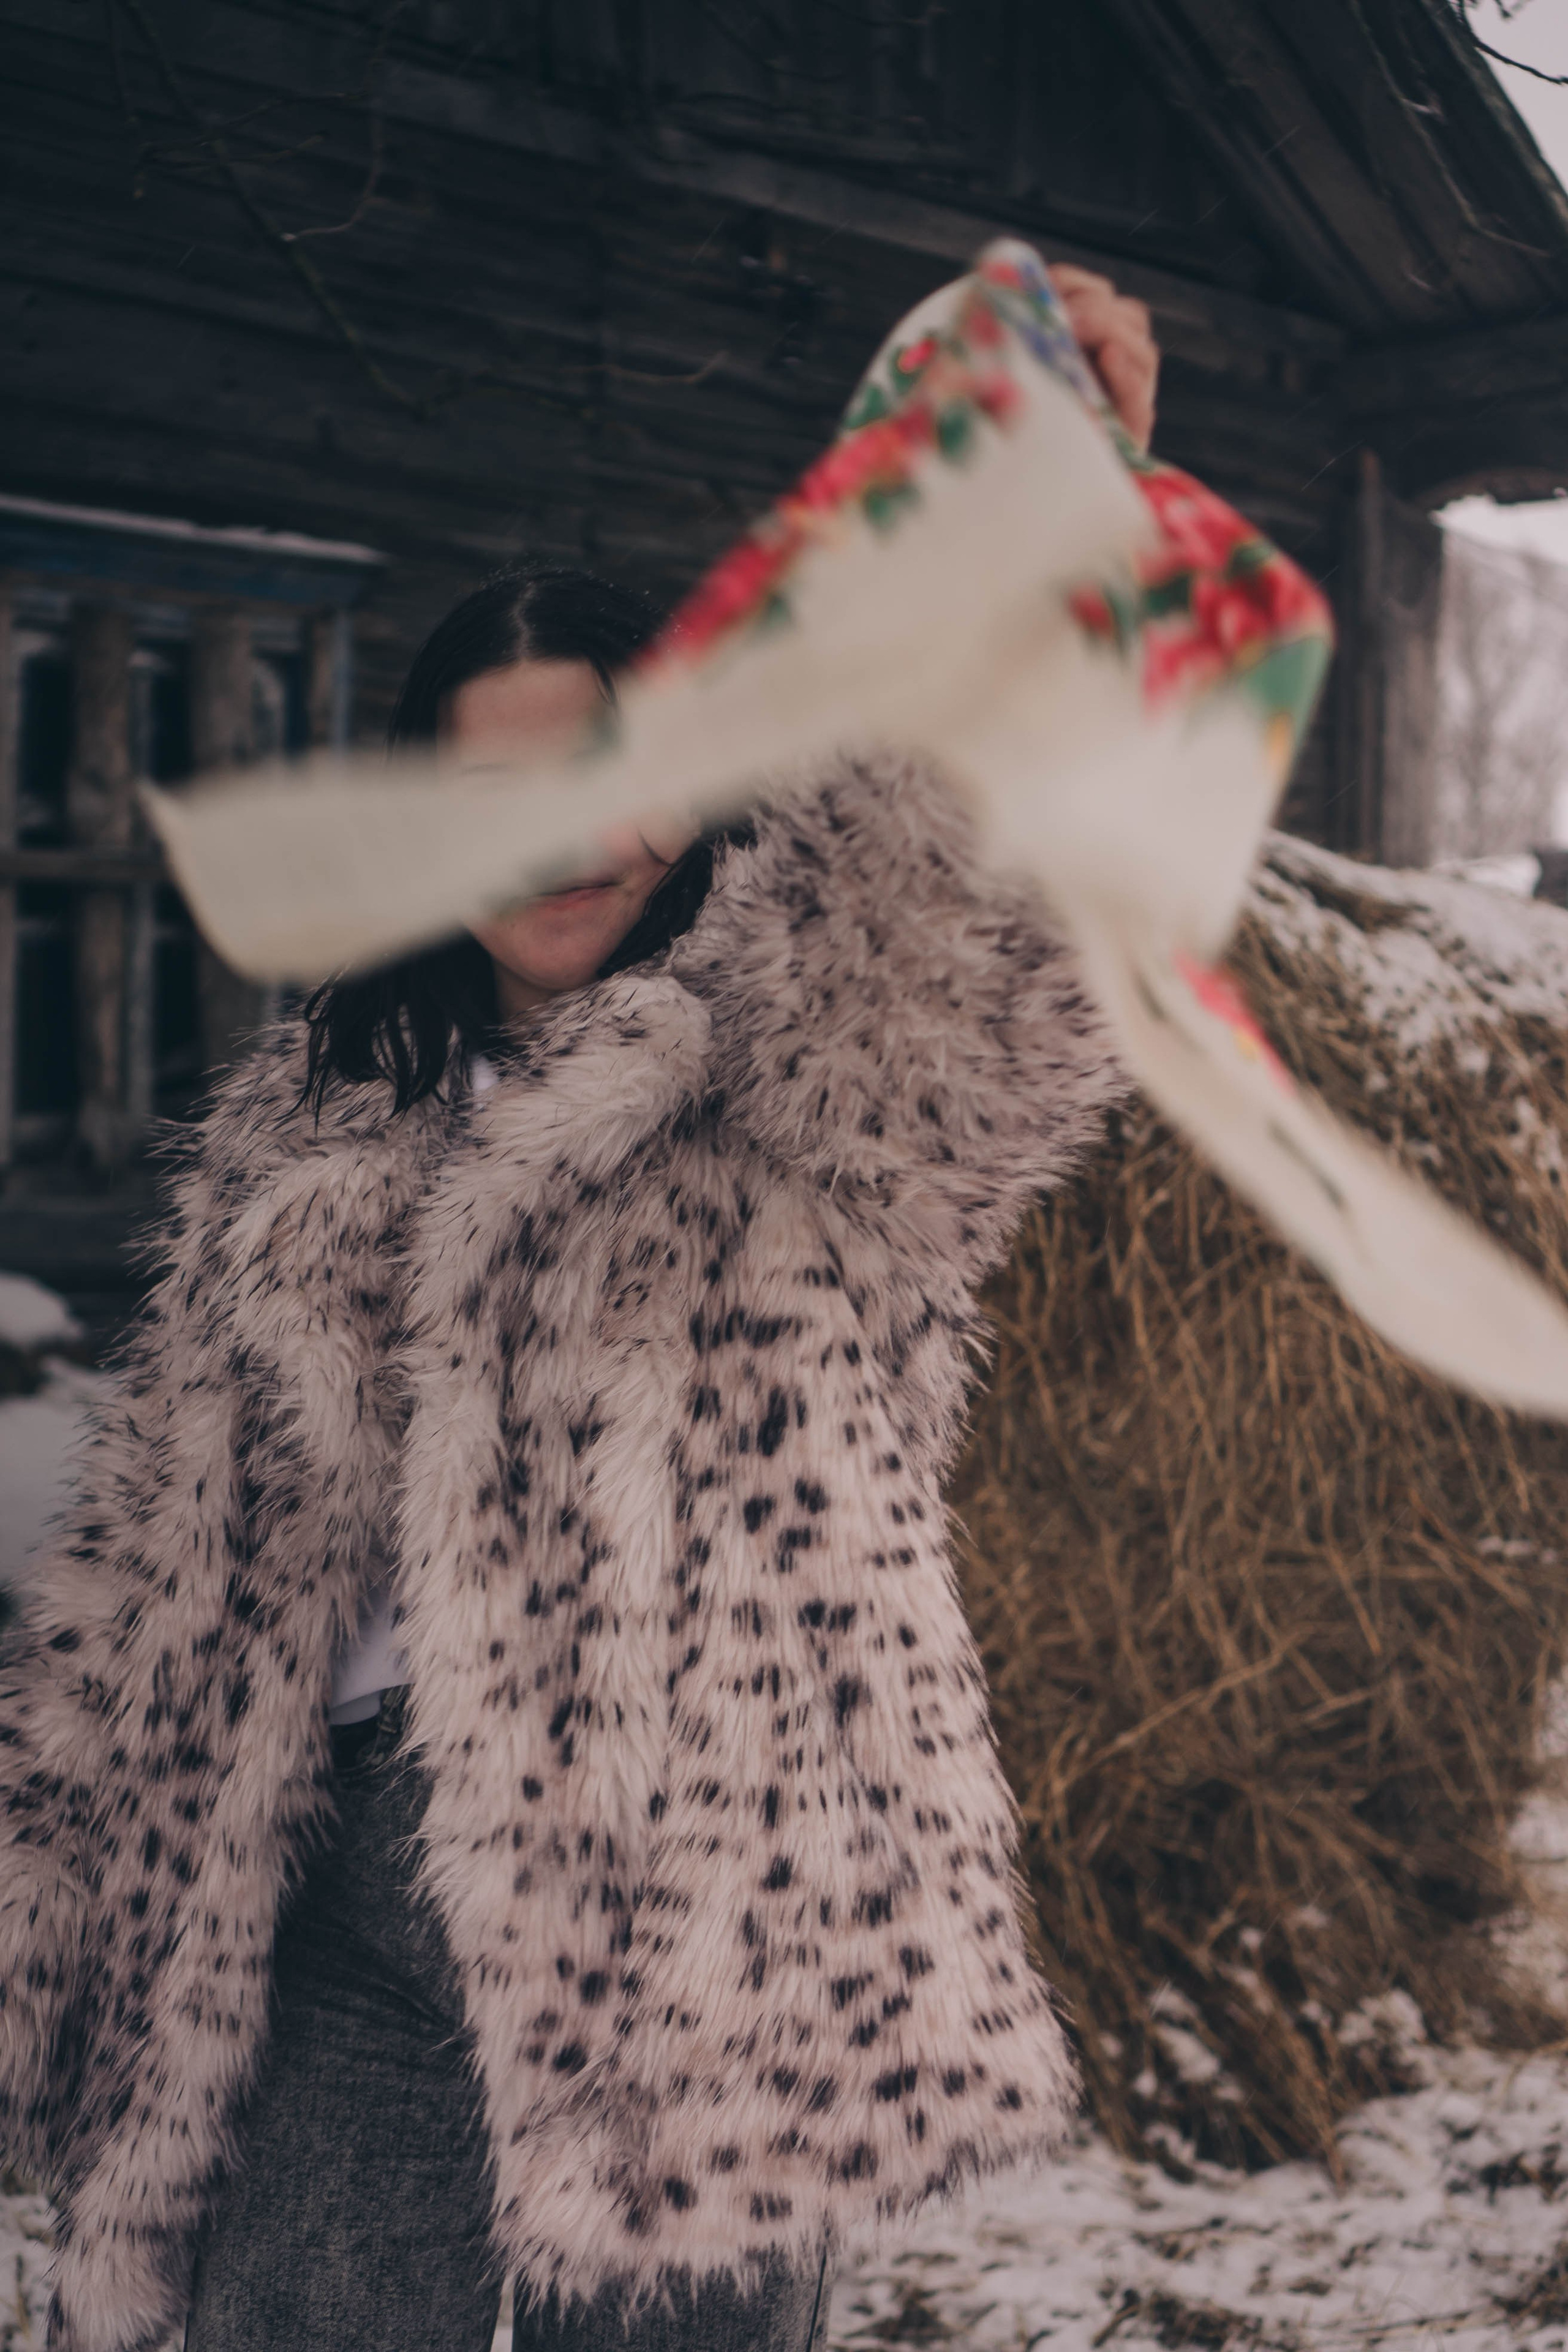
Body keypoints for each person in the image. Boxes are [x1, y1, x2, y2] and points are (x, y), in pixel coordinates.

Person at [0, 272, 1158, 2352]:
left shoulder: (806, 1089)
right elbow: (142, 1588)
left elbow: (972, 898)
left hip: (702, 1899)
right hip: (333, 1898)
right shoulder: (300, 1134)